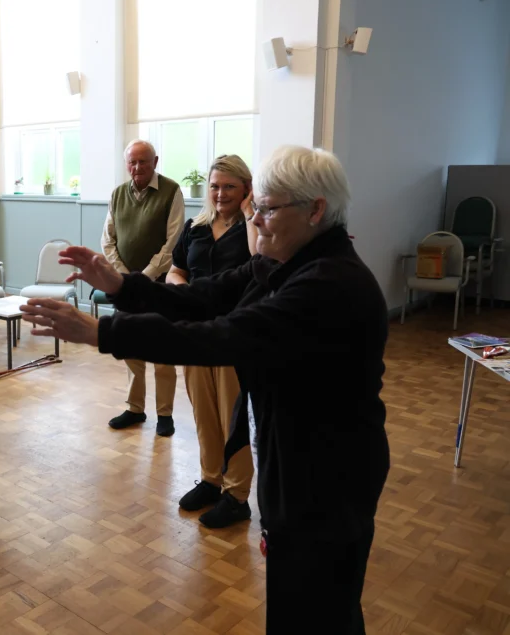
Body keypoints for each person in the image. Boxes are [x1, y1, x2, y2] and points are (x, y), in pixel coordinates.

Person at [21, 146, 389, 634]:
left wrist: (99, 332)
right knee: (298, 598)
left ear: (315, 209)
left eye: (268, 208)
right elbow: (203, 296)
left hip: (327, 473)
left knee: (319, 604)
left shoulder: (328, 284)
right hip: (297, 456)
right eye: (256, 205)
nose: (255, 219)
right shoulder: (286, 262)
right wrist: (122, 285)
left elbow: (221, 335)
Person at [167, 154, 257, 529]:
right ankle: (210, 479)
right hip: (197, 332)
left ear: (246, 190)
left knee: (232, 414)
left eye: (230, 187)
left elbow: (260, 261)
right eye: (215, 186)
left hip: (236, 334)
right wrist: (183, 294)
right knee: (203, 412)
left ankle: (237, 495)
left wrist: (253, 215)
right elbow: (176, 271)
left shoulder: (255, 228)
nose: (220, 194)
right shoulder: (195, 227)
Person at [101, 139, 185, 437]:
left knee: (163, 351)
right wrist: (124, 279)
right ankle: (135, 408)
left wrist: (145, 277)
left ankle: (165, 413)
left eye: (143, 162)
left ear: (155, 161)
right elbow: (108, 240)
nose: (137, 168)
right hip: (126, 288)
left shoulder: (172, 191)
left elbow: (173, 242)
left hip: (159, 286)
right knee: (130, 348)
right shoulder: (117, 194)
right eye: (132, 162)